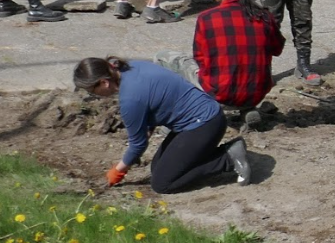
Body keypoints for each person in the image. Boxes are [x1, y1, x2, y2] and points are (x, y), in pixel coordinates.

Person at [73, 57, 247, 195]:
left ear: (104, 82)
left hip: (204, 125)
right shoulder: (131, 67)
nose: (93, 95)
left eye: (91, 90)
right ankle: (211, 153)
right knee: (157, 168)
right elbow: (155, 101)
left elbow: (138, 144)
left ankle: (228, 159)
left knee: (163, 183)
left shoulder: (130, 99)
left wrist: (118, 172)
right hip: (206, 115)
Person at [193, 0, 285, 122]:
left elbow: (199, 56)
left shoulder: (206, 18)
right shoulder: (263, 16)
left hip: (219, 92)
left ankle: (189, 112)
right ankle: (246, 110)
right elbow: (277, 49)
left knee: (168, 60)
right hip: (256, 93)